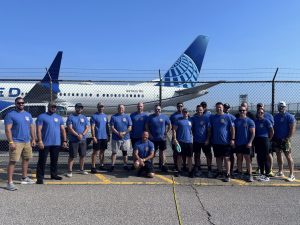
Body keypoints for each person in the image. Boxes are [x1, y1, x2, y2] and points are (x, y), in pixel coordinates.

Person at [4, 97, 36, 191]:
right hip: (16, 142)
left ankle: (24, 178)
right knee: (13, 161)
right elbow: (7, 130)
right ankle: (9, 183)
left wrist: (33, 139)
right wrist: (11, 142)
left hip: (27, 141)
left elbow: (31, 127)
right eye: (19, 103)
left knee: (26, 159)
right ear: (15, 104)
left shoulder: (28, 115)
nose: (21, 104)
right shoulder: (10, 115)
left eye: (22, 103)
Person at [36, 102, 67, 184]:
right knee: (42, 161)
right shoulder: (42, 116)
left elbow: (63, 130)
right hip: (45, 143)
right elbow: (38, 130)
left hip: (56, 143)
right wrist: (39, 141)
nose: (53, 108)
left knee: (54, 160)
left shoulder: (59, 117)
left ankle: (54, 175)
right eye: (52, 106)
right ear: (48, 107)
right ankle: (40, 177)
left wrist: (64, 141)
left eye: (55, 107)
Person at [210, 102, 235, 182]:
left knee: (226, 158)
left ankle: (228, 174)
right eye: (217, 107)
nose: (218, 109)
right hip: (216, 142)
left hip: (226, 142)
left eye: (220, 107)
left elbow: (232, 129)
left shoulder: (227, 117)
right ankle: (220, 172)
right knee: (218, 158)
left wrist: (232, 139)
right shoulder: (213, 117)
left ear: (223, 108)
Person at [272, 101, 296, 182]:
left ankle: (292, 174)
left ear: (285, 107)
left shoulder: (289, 116)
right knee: (279, 155)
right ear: (278, 107)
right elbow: (273, 128)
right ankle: (280, 171)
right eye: (280, 106)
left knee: (288, 156)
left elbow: (292, 128)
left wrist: (287, 138)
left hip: (286, 140)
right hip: (277, 139)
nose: (281, 108)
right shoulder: (275, 117)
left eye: (283, 106)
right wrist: (274, 138)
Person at [66, 103, 90, 177]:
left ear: (82, 109)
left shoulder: (84, 117)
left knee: (82, 155)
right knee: (72, 156)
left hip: (82, 139)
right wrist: (77, 135)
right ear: (75, 108)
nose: (79, 109)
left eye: (81, 108)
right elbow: (70, 128)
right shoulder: (71, 117)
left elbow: (87, 127)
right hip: (74, 140)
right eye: (78, 107)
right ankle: (69, 171)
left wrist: (82, 135)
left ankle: (81, 169)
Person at [146, 105, 171, 172]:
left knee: (162, 152)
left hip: (162, 139)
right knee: (152, 153)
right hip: (153, 139)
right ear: (154, 110)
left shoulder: (164, 116)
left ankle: (162, 165)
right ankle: (151, 165)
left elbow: (169, 125)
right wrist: (149, 134)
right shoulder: (150, 117)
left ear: (161, 110)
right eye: (156, 109)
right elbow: (146, 125)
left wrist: (166, 132)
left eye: (159, 109)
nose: (158, 110)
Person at [234, 106, 255, 182]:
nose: (242, 112)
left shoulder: (250, 121)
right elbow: (234, 132)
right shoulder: (236, 121)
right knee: (239, 158)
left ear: (246, 111)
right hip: (238, 143)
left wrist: (250, 142)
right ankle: (240, 173)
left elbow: (253, 133)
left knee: (248, 160)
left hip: (247, 144)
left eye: (243, 110)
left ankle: (250, 175)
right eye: (240, 110)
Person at [191, 105, 212, 177]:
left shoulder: (206, 118)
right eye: (198, 110)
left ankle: (209, 170)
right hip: (196, 141)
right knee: (197, 155)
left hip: (205, 141)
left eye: (200, 110)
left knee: (208, 155)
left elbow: (209, 130)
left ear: (203, 110)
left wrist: (207, 139)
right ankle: (198, 169)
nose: (199, 111)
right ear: (196, 111)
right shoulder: (193, 118)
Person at [109, 104, 132, 172]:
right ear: (117, 109)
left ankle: (125, 165)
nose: (121, 109)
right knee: (114, 152)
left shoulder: (127, 117)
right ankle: (112, 165)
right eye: (119, 108)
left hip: (125, 138)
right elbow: (112, 127)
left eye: (122, 108)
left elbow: (130, 128)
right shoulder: (113, 117)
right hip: (116, 138)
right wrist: (118, 133)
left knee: (125, 152)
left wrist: (124, 133)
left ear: (124, 109)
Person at [172, 108, 194, 177]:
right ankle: (179, 170)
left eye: (186, 112)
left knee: (190, 157)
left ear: (188, 113)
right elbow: (174, 130)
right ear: (182, 113)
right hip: (180, 142)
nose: (185, 113)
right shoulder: (178, 120)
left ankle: (190, 171)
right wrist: (175, 139)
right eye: (184, 112)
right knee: (179, 156)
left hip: (189, 142)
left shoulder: (191, 120)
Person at [254, 108, 274, 182]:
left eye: (261, 112)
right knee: (259, 158)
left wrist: (268, 139)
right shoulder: (255, 121)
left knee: (265, 158)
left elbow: (272, 131)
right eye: (259, 112)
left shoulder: (266, 121)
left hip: (265, 140)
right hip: (257, 140)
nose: (260, 113)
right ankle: (262, 174)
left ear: (263, 113)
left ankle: (267, 175)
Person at [90, 102, 110, 173]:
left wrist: (108, 135)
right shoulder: (94, 116)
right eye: (100, 106)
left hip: (104, 137)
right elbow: (92, 128)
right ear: (97, 107)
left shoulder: (105, 116)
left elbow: (107, 127)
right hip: (97, 137)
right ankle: (93, 166)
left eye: (102, 106)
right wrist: (93, 137)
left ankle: (101, 165)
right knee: (95, 152)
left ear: (103, 107)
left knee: (102, 152)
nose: (101, 108)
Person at [130, 102, 148, 167]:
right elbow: (130, 126)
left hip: (142, 137)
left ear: (143, 107)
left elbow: (146, 127)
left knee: (142, 151)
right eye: (138, 106)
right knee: (135, 151)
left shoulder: (145, 116)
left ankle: (141, 164)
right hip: (134, 136)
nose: (139, 107)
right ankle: (134, 164)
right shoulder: (132, 115)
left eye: (141, 106)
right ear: (137, 107)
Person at [223, 103, 237, 175]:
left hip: (230, 139)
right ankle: (224, 169)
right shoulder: (220, 116)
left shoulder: (232, 117)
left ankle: (231, 169)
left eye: (227, 108)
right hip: (223, 140)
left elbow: (235, 128)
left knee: (230, 155)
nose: (226, 109)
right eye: (225, 107)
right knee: (223, 156)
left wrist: (233, 138)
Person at [170, 102, 184, 171]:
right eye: (178, 106)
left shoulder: (185, 114)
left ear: (183, 107)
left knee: (183, 152)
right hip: (175, 137)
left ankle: (183, 165)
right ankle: (175, 165)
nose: (180, 107)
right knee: (175, 152)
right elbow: (170, 125)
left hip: (183, 137)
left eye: (181, 106)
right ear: (177, 107)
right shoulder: (173, 116)